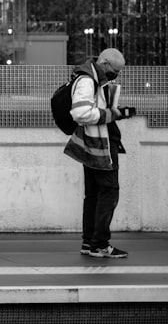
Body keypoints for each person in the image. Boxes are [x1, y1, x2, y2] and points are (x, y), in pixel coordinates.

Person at [63, 47, 135, 259]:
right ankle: (100, 244)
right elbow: (81, 112)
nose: (116, 75)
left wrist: (115, 113)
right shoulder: (87, 80)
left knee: (94, 194)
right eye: (115, 70)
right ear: (104, 63)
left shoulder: (92, 78)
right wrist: (114, 114)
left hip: (92, 143)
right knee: (109, 191)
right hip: (99, 145)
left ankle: (90, 242)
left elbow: (92, 108)